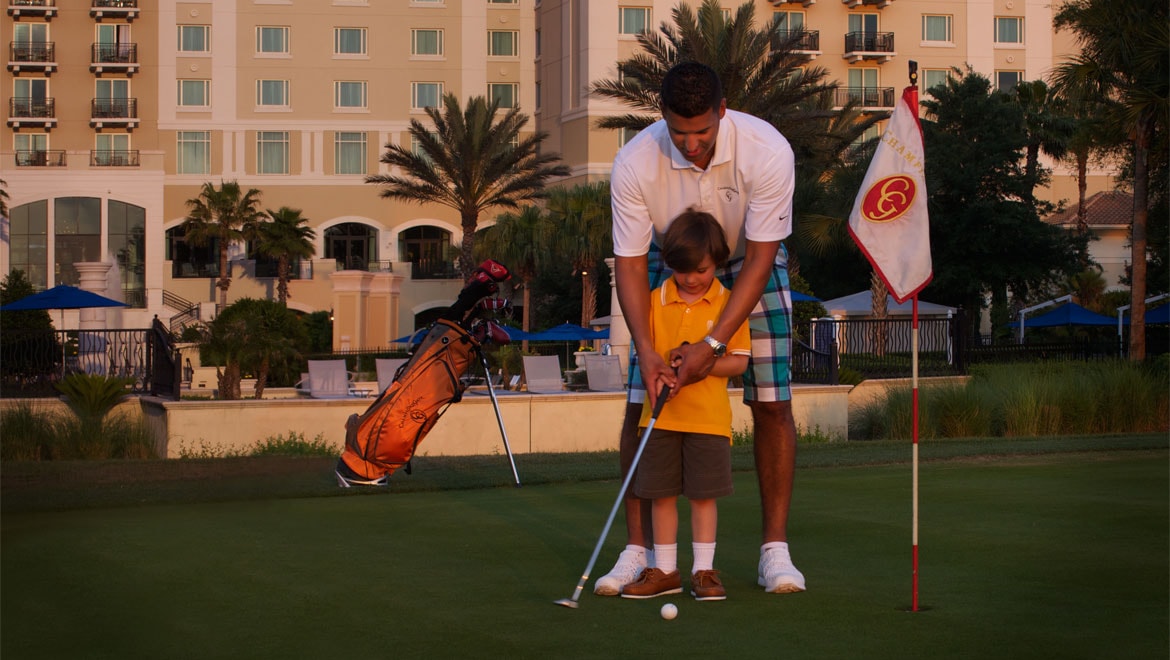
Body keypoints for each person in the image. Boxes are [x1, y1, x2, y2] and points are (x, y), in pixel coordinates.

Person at [594, 61, 805, 596]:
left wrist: (713, 345)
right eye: (679, 131)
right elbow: (631, 264)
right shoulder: (635, 161)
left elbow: (759, 261)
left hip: (748, 262)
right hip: (678, 263)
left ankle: (773, 553)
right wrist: (645, 349)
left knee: (773, 399)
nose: (690, 143)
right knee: (642, 401)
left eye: (702, 132)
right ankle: (638, 553)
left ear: (722, 112)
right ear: (662, 116)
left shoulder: (769, 151)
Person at [618, 209, 749, 602]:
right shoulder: (654, 301)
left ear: (718, 262)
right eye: (681, 270)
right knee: (660, 494)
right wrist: (660, 368)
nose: (691, 279)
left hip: (708, 420)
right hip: (659, 419)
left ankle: (704, 571)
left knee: (703, 496)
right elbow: (648, 354)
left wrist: (699, 362)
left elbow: (738, 360)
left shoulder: (729, 304)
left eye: (701, 270)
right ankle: (666, 570)